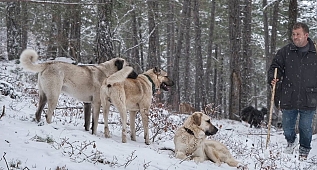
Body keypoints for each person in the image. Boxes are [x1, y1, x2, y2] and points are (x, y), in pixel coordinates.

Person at [268, 22, 317, 161]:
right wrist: (273, 78)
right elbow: (275, 67)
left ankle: (304, 150)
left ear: (306, 35)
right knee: (287, 127)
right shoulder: (285, 51)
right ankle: (291, 142)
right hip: (289, 95)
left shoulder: (315, 52)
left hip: (310, 96)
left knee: (305, 128)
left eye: (298, 34)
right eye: (293, 34)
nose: (295, 37)